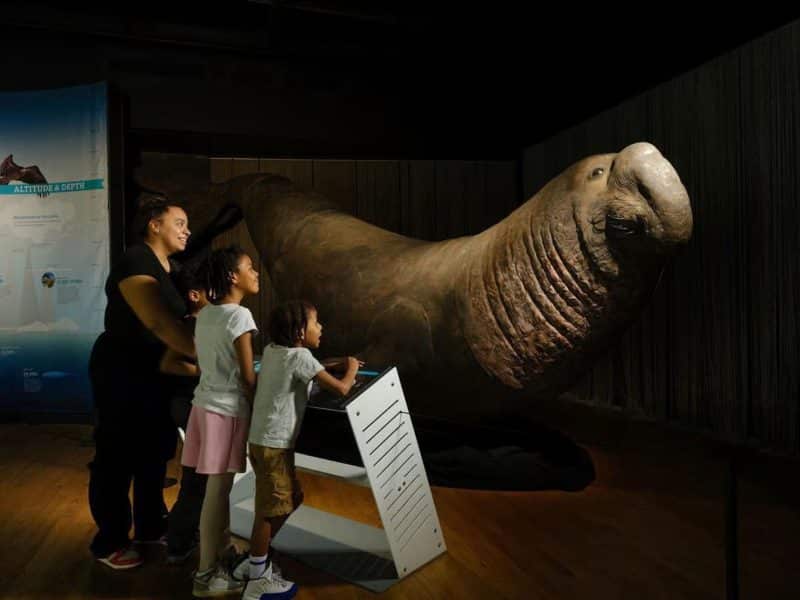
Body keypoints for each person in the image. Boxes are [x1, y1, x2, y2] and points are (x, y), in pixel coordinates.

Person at [88, 192, 195, 569]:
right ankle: (110, 541)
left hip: (157, 373)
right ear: (155, 224)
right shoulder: (136, 259)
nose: (187, 230)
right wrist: (203, 358)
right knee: (116, 457)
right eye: (179, 223)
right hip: (121, 371)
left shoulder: (174, 269)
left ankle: (151, 525)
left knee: (154, 453)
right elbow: (158, 322)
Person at [239, 300, 363, 600]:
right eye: (316, 322)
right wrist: (353, 368)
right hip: (275, 446)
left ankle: (255, 559)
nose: (321, 327)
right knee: (270, 512)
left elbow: (305, 372)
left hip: (263, 442)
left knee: (290, 499)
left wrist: (333, 365)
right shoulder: (301, 357)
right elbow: (342, 389)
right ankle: (257, 578)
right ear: (298, 331)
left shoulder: (273, 351)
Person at [182, 245, 260, 598]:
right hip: (227, 411)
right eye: (249, 267)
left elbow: (201, 367)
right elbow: (247, 377)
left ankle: (221, 558)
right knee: (217, 494)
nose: (255, 273)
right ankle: (206, 575)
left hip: (202, 407)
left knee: (217, 493)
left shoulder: (206, 315)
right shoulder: (240, 317)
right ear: (233, 276)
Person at [160, 263, 209, 564]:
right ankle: (178, 541)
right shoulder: (191, 325)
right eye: (210, 290)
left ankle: (181, 532)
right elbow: (168, 363)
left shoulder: (200, 323)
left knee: (198, 476)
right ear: (194, 295)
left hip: (190, 403)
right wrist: (205, 371)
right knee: (197, 477)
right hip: (188, 404)